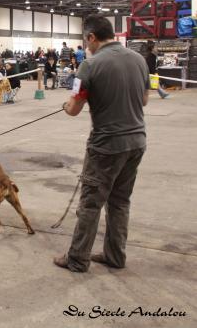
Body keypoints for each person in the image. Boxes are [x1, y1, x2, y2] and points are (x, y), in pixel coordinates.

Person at [54, 15, 149, 273]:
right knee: (120, 202)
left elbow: (73, 108)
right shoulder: (139, 60)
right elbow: (144, 100)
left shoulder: (89, 66)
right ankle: (115, 256)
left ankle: (77, 259)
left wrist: (65, 105)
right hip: (137, 142)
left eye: (87, 40)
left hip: (106, 146)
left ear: (92, 37)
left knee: (90, 204)